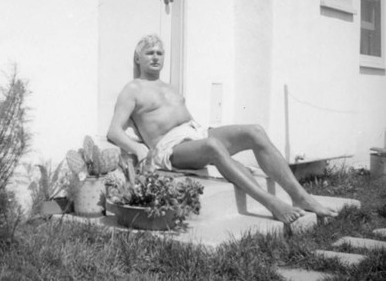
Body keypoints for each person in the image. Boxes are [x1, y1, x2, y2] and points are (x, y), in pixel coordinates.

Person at [107, 34, 338, 224]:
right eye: (150, 53)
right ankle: (272, 203)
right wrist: (137, 148)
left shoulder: (169, 86)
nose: (156, 57)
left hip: (196, 133)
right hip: (171, 148)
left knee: (254, 131)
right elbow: (114, 131)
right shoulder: (133, 89)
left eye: (159, 53)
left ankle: (300, 196)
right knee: (212, 145)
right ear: (138, 58)